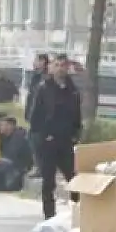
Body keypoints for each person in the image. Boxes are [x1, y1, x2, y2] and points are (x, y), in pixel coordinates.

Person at [28, 52, 82, 219]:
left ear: (67, 68)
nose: (60, 69)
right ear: (52, 67)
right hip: (48, 142)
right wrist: (43, 136)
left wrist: (75, 134)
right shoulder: (44, 88)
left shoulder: (72, 90)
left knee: (73, 178)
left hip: (66, 141)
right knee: (48, 181)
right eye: (57, 65)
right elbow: (35, 116)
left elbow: (77, 115)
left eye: (63, 66)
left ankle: (78, 212)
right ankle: (49, 215)